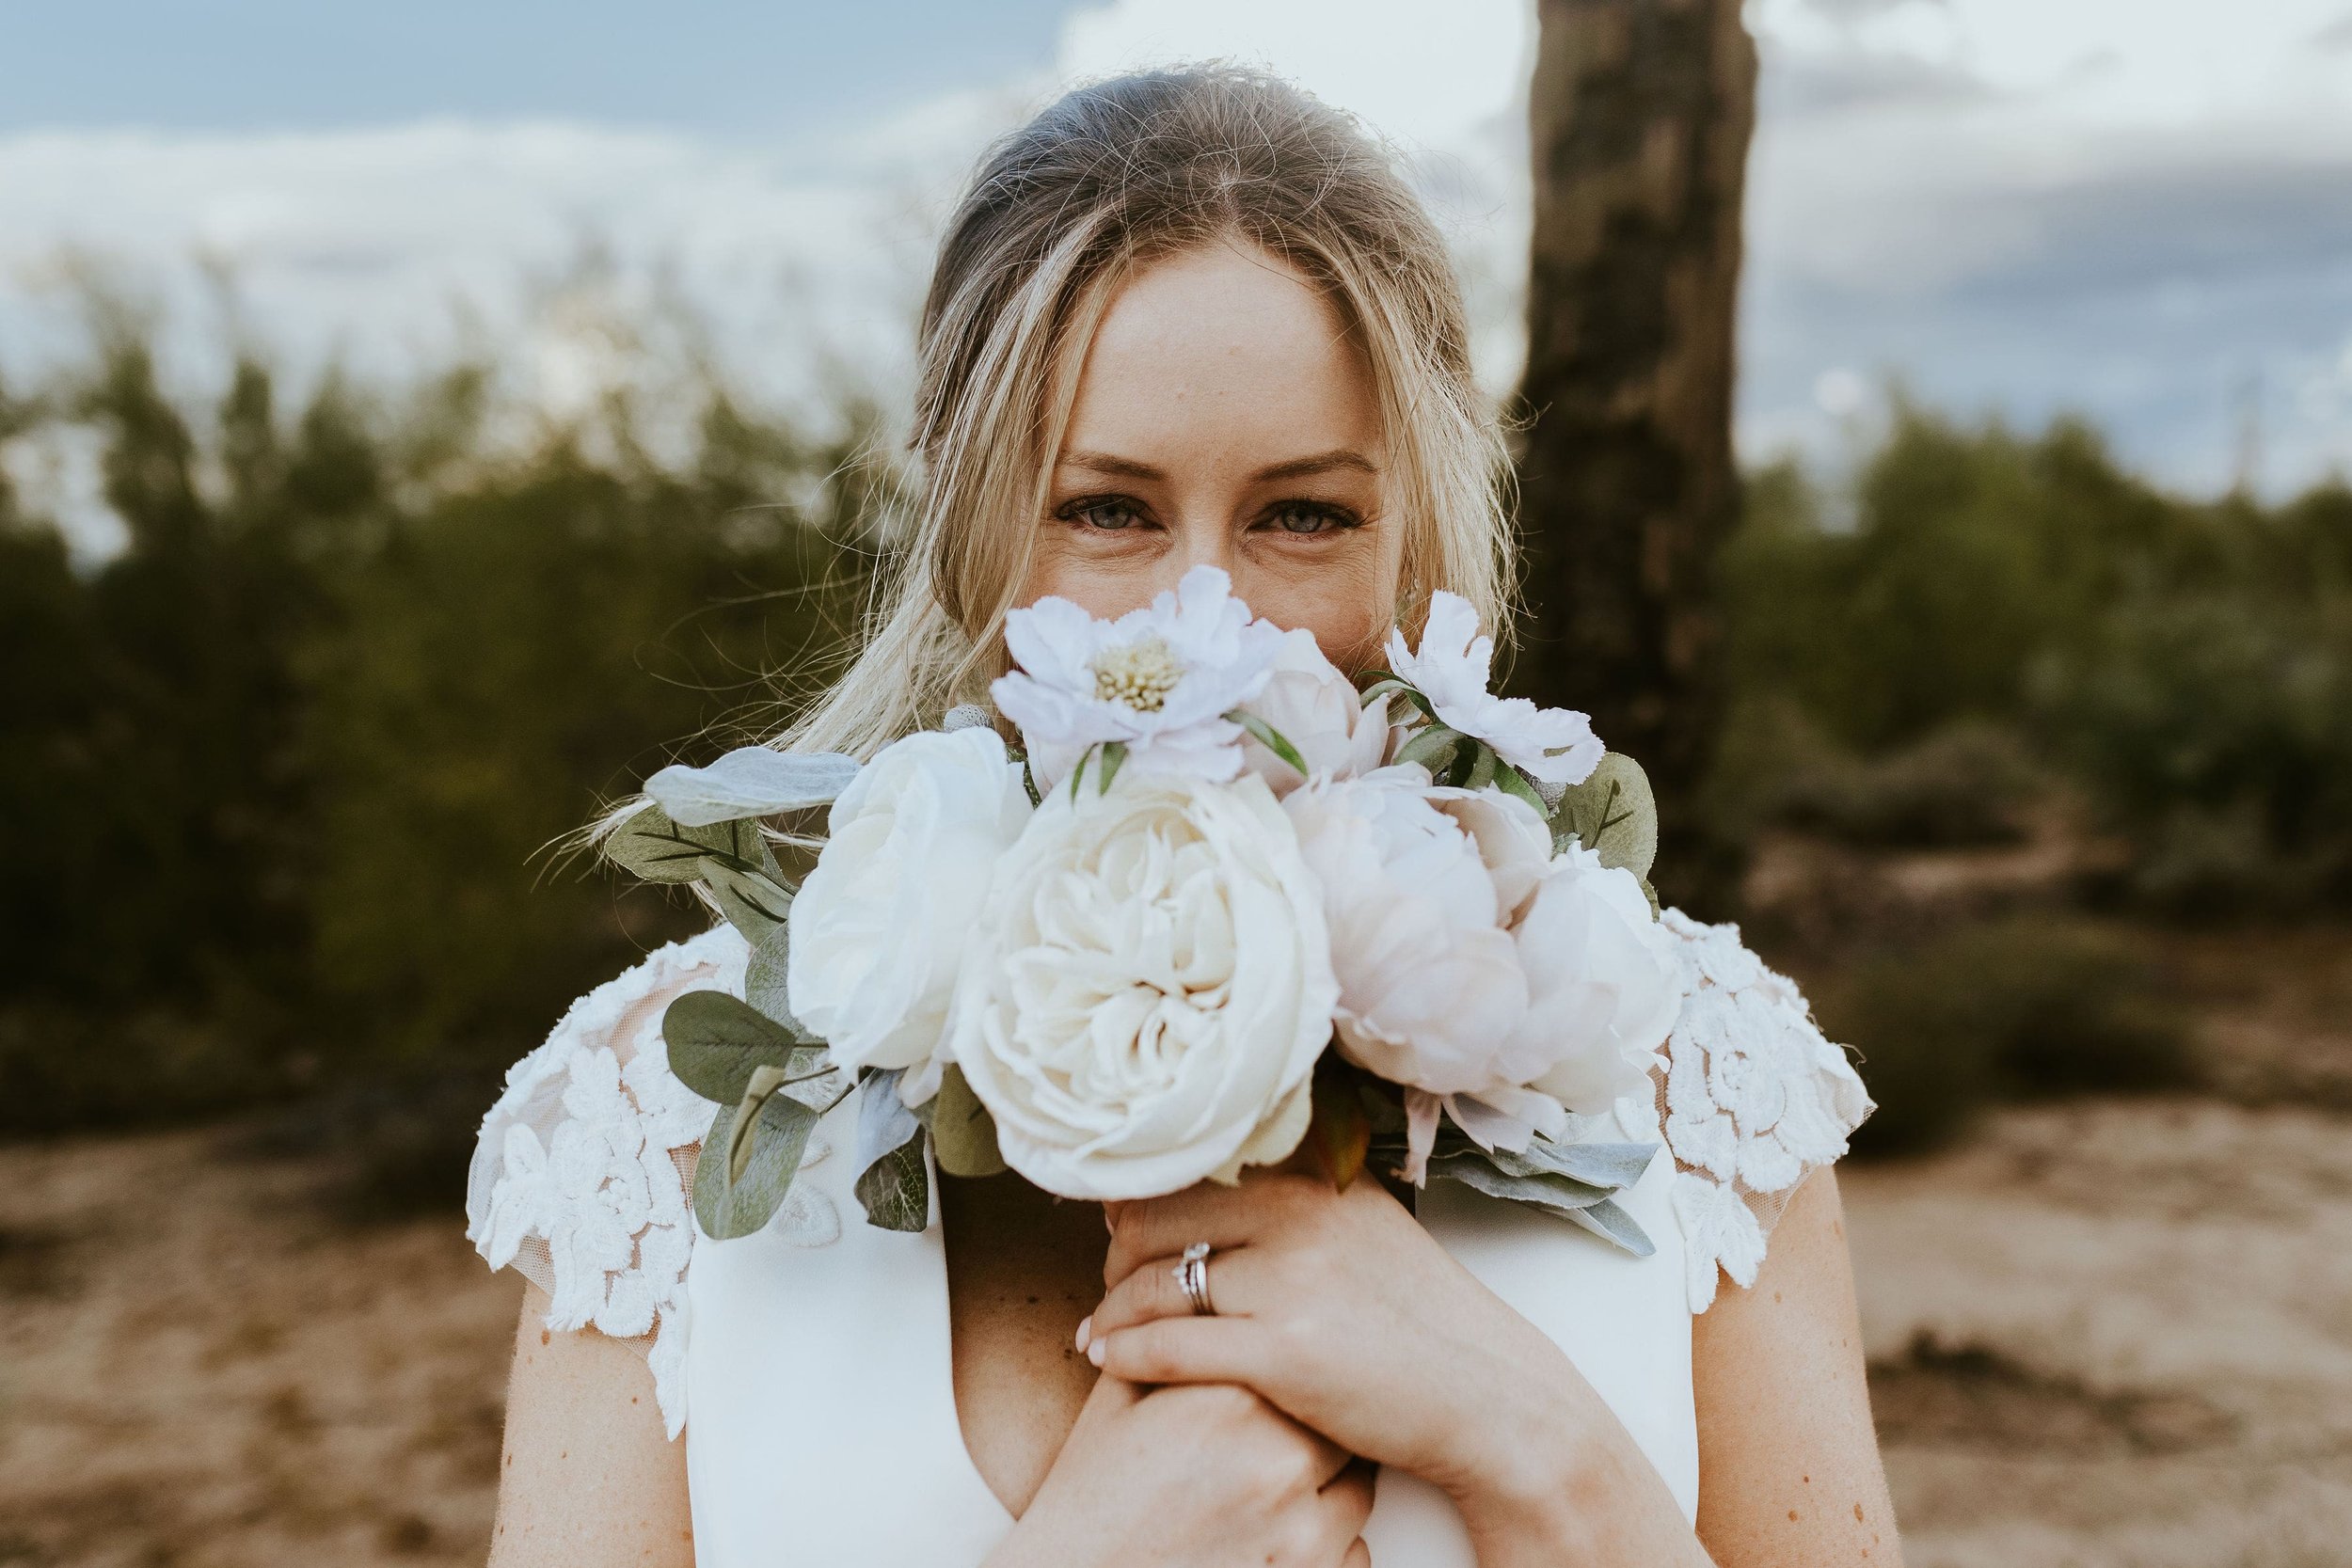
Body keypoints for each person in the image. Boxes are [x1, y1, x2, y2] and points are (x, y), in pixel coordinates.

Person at [467, 64, 1897, 1568]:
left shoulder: (1685, 1076)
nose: (1206, 632)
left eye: (1302, 516)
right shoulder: (664, 1135)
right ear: (967, 538)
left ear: (1417, 540)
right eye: (1107, 510)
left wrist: (1538, 1457)